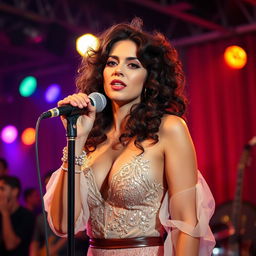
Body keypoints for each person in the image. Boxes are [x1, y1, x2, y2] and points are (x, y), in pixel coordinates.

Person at [44, 18, 215, 255]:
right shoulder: (90, 138)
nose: (119, 70)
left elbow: (188, 224)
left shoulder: (169, 129)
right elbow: (63, 224)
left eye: (132, 65)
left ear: (149, 78)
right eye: (112, 62)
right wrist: (77, 141)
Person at [0, 175, 35, 255]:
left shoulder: (27, 216)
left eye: (2, 189)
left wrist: (5, 214)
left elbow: (10, 245)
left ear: (14, 191)